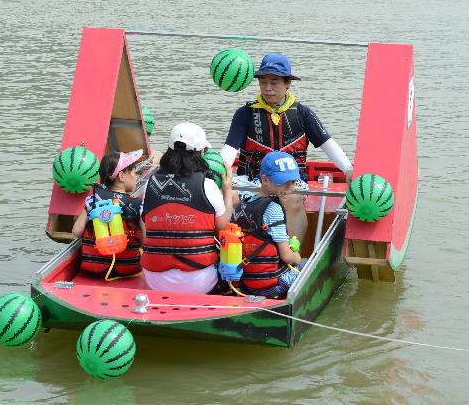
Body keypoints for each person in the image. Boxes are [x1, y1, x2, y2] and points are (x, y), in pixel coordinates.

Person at [220, 53, 353, 244]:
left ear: (287, 83)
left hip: (290, 182)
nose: (268, 88)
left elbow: (328, 144)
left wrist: (347, 169)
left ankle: (292, 256)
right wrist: (219, 172)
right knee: (229, 195)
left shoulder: (303, 114)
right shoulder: (244, 114)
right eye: (263, 82)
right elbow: (229, 149)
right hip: (250, 180)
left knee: (293, 200)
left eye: (274, 82)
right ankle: (230, 250)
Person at [141, 122, 233, 294]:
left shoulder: (150, 184)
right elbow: (222, 227)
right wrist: (227, 192)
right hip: (199, 282)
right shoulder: (208, 185)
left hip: (155, 280)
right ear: (202, 153)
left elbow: (146, 232)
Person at [231, 151, 303, 298]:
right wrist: (298, 257)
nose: (289, 188)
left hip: (244, 284)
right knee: (307, 264)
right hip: (270, 287)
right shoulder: (274, 209)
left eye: (293, 182)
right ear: (264, 179)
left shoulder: (243, 204)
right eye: (283, 182)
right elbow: (287, 256)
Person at [72, 150, 144, 279]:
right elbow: (146, 240)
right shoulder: (138, 204)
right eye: (133, 171)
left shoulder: (92, 200)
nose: (136, 176)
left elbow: (76, 232)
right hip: (128, 271)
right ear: (121, 176)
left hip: (93, 272)